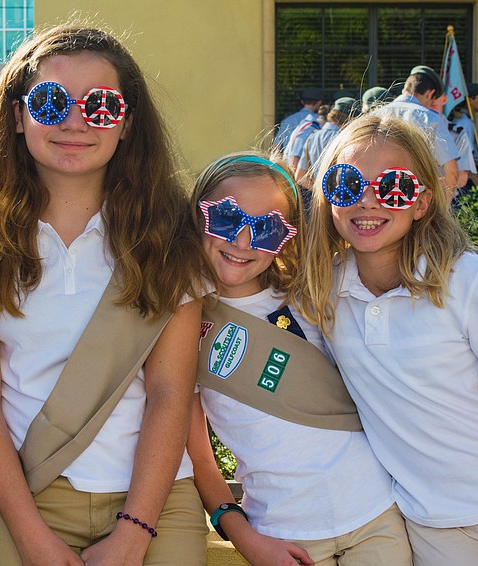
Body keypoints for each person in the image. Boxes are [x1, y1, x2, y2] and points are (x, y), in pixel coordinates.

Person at [0, 23, 208, 565]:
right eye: (52, 101)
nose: (76, 121)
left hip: (154, 500)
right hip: (23, 494)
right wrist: (31, 537)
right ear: (18, 115)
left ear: (127, 121)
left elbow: (170, 393)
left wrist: (134, 531)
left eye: (101, 104)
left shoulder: (170, 232)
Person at [294, 113, 478, 566]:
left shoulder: (470, 281)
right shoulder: (322, 292)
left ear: (421, 202)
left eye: (393, 186)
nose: (367, 201)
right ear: (327, 195)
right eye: (346, 184)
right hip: (431, 523)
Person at [185, 152, 410, 566]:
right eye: (226, 219)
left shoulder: (314, 292)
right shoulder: (183, 326)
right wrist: (246, 539)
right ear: (197, 214)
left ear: (287, 237)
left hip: (377, 512)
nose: (243, 242)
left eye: (268, 229)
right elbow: (200, 458)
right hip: (281, 535)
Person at [373, 66, 460, 198]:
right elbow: (451, 169)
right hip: (414, 197)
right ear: (429, 94)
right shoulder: (431, 118)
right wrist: (446, 204)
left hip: (377, 193)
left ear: (405, 89)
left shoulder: (374, 115)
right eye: (431, 101)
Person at [295, 97, 355, 190]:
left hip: (319, 199)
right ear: (351, 119)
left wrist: (320, 192)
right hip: (341, 198)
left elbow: (300, 177)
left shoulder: (312, 137)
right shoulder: (347, 139)